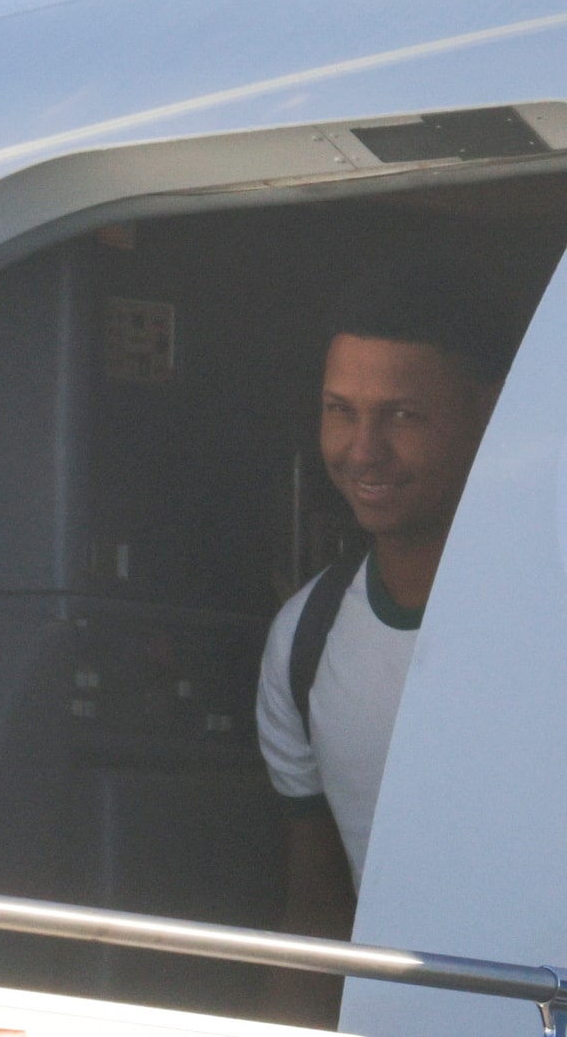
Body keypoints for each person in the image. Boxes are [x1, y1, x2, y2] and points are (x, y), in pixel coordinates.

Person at [256, 258, 512, 1021]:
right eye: (341, 410)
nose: (362, 450)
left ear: (490, 412)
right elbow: (320, 916)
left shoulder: (543, 612)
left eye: (403, 415)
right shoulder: (303, 637)